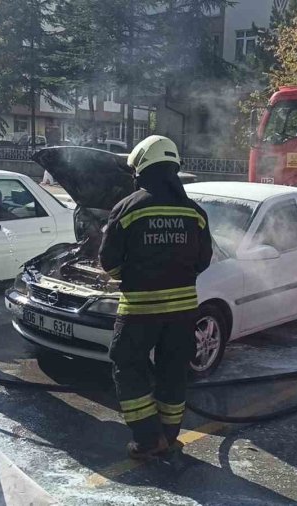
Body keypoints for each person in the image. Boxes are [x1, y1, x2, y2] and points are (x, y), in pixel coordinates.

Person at [99, 135, 213, 460]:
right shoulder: (195, 212)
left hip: (139, 310)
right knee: (173, 370)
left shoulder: (128, 208)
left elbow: (109, 262)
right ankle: (168, 436)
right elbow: (203, 260)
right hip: (183, 310)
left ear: (142, 168)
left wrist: (131, 276)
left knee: (127, 365)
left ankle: (148, 439)